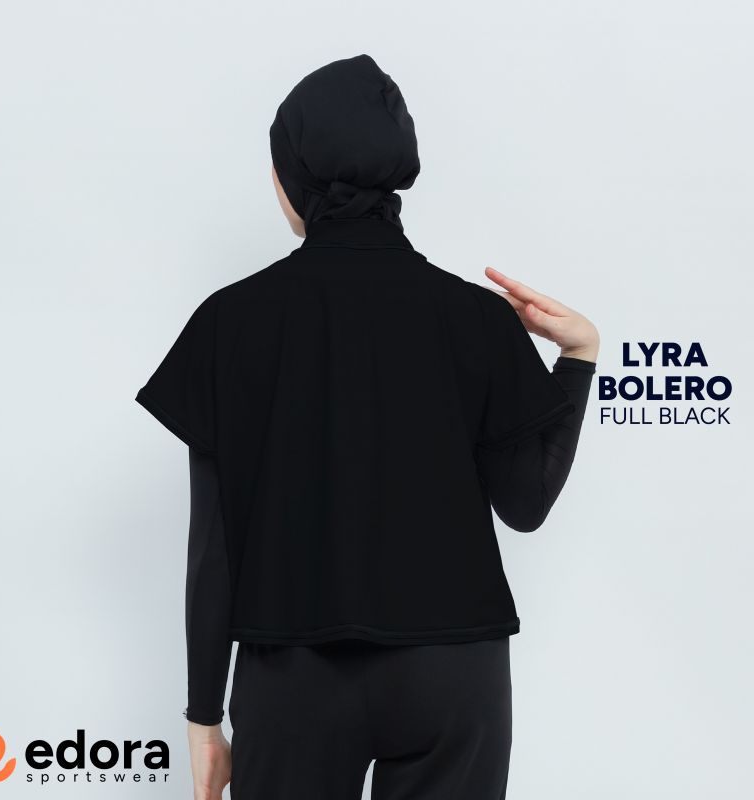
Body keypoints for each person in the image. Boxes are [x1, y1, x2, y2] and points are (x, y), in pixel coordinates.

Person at [135, 53, 599, 800]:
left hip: (295, 677)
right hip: (456, 675)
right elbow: (525, 504)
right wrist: (578, 357)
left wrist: (203, 720)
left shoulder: (233, 321)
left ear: (293, 175)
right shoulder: (475, 318)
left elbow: (214, 546)